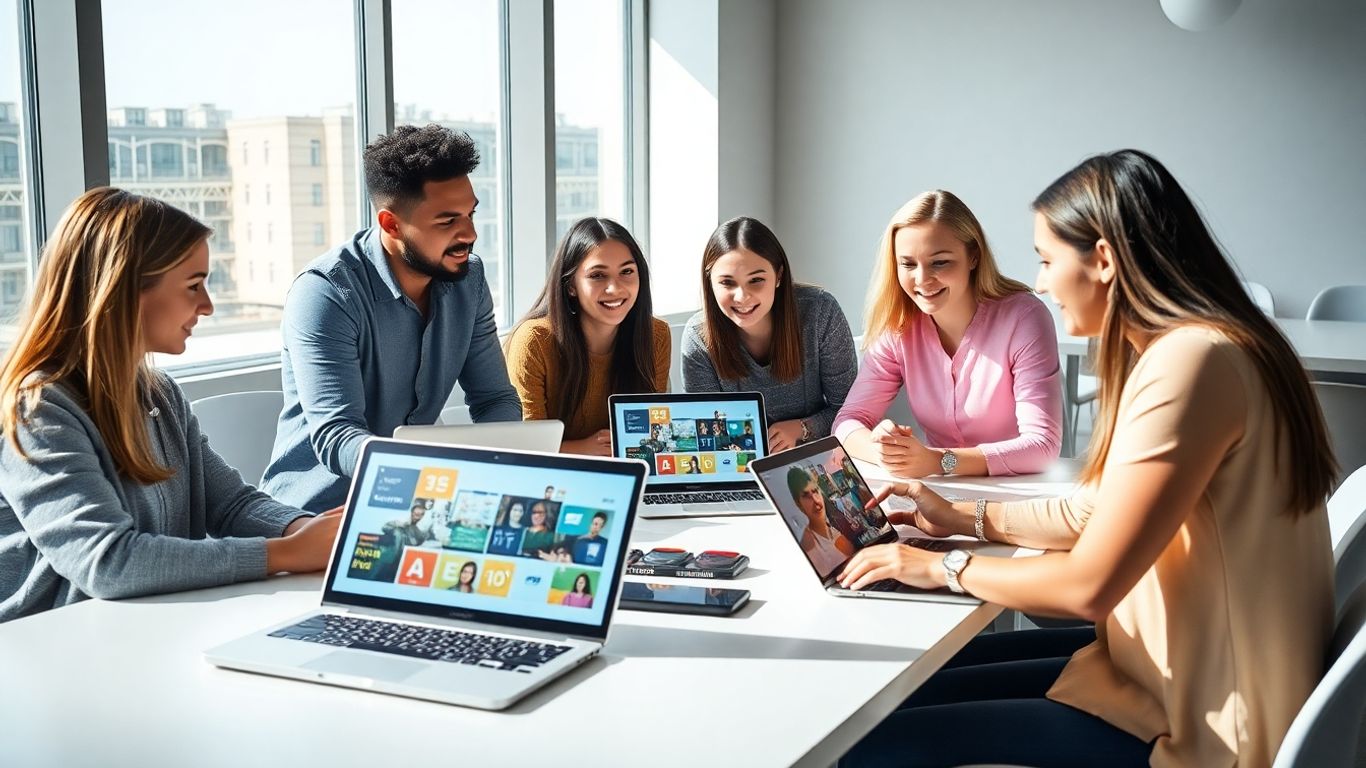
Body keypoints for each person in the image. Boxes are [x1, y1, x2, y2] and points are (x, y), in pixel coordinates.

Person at [837, 150, 1336, 767]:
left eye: (1047, 260)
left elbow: (1088, 588)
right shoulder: (1206, 348)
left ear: (1102, 259)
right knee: (908, 692)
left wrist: (938, 568)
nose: (1040, 282)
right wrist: (957, 516)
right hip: (1163, 671)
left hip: (1205, 725)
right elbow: (1090, 513)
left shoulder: (1193, 363)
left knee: (875, 742)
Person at [0, 188, 342, 622]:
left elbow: (231, 505)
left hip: (142, 629)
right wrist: (284, 552)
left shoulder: (158, 393)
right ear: (125, 291)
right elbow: (109, 563)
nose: (208, 305)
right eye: (194, 285)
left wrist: (308, 531)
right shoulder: (37, 410)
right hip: (51, 646)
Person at [263, 124, 522, 512]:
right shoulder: (325, 293)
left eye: (471, 214)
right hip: (317, 513)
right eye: (447, 221)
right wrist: (430, 474)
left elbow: (495, 399)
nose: (469, 233)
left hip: (417, 504)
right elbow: (337, 435)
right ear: (391, 224)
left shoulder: (470, 279)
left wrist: (493, 472)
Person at [832, 190, 1062, 478]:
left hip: (1016, 497)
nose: (922, 279)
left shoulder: (1024, 318)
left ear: (973, 256)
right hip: (937, 496)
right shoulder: (898, 328)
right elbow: (847, 421)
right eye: (908, 264)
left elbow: (1042, 446)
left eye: (940, 262)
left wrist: (939, 462)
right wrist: (885, 453)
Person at [682, 217, 858, 452]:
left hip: (816, 455)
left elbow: (851, 412)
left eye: (756, 280)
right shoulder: (698, 338)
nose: (742, 296)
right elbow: (706, 431)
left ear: (779, 276)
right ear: (710, 283)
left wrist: (801, 429)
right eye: (727, 282)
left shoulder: (820, 312)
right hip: (742, 465)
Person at [505, 218, 670, 455]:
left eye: (627, 271)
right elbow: (529, 448)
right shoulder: (534, 341)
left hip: (625, 470)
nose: (615, 288)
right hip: (554, 476)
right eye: (597, 275)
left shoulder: (656, 335)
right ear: (571, 285)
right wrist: (586, 449)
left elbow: (650, 432)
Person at [786, 467, 854, 575]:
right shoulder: (809, 543)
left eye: (815, 491)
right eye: (806, 496)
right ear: (798, 504)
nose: (816, 500)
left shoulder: (833, 530)